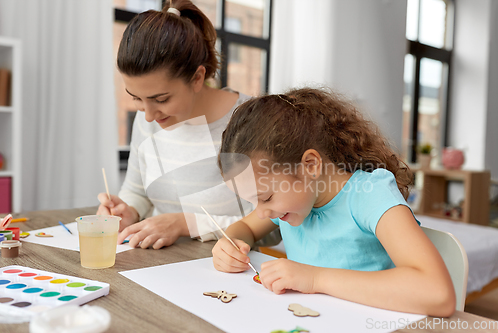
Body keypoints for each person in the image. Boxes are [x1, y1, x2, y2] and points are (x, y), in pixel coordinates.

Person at [212, 87, 456, 317]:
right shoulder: (293, 201)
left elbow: (438, 294)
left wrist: (315, 279)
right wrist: (231, 243)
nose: (263, 213)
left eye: (265, 198)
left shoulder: (369, 195)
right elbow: (244, 229)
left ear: (310, 165)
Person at [97, 0, 280, 249]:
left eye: (160, 99)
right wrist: (127, 211)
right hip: (157, 264)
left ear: (197, 78)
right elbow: (137, 191)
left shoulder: (253, 123)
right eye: (136, 98)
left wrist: (185, 224)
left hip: (228, 270)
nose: (148, 115)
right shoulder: (147, 119)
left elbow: (271, 222)